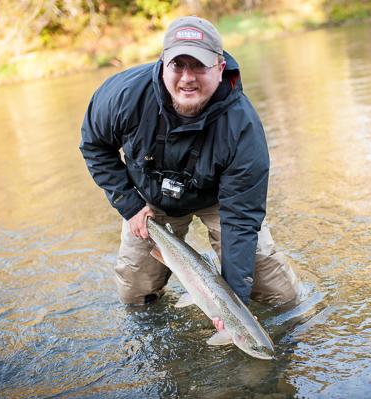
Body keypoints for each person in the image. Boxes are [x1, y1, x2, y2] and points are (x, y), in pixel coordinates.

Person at [79, 16, 300, 323]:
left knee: (280, 295)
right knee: (134, 297)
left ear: (220, 69)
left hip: (221, 202)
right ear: (162, 64)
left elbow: (240, 218)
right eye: (178, 65)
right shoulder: (123, 96)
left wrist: (232, 305)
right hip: (149, 201)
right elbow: (93, 145)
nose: (187, 78)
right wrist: (130, 206)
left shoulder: (243, 127)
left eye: (199, 65)